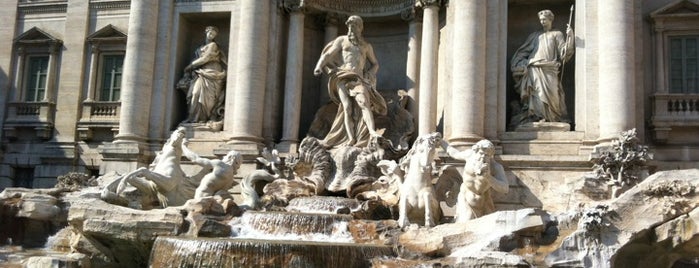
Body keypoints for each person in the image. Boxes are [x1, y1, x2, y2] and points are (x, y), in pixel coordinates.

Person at [314, 15, 387, 148]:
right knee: (346, 107)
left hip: (358, 79)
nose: (351, 29)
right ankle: (351, 138)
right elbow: (328, 55)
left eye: (354, 26)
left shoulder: (366, 46)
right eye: (350, 26)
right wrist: (319, 66)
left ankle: (371, 132)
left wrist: (370, 74)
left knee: (364, 103)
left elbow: (375, 64)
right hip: (342, 76)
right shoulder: (342, 40)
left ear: (360, 28)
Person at [510, 9, 574, 127]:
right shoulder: (535, 36)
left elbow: (564, 53)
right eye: (540, 20)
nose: (542, 22)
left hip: (550, 68)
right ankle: (538, 117)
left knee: (554, 96)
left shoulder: (557, 34)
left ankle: (554, 118)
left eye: (544, 19)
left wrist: (570, 37)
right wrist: (522, 62)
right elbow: (523, 52)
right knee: (537, 94)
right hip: (534, 68)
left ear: (550, 19)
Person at [441, 139, 509, 222]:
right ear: (476, 151)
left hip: (484, 201)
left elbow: (505, 188)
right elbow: (454, 153)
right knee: (465, 223)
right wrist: (441, 142)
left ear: (491, 155)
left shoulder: (495, 167)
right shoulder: (469, 155)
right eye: (481, 153)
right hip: (466, 196)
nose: (483, 157)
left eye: (486, 155)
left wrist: (488, 177)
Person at [182, 26, 227, 123]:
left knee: (209, 99)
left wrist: (189, 66)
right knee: (194, 93)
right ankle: (192, 118)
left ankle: (203, 118)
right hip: (201, 73)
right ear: (206, 33)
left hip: (212, 72)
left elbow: (205, 59)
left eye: (214, 35)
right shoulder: (200, 47)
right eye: (210, 33)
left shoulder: (213, 45)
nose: (211, 36)